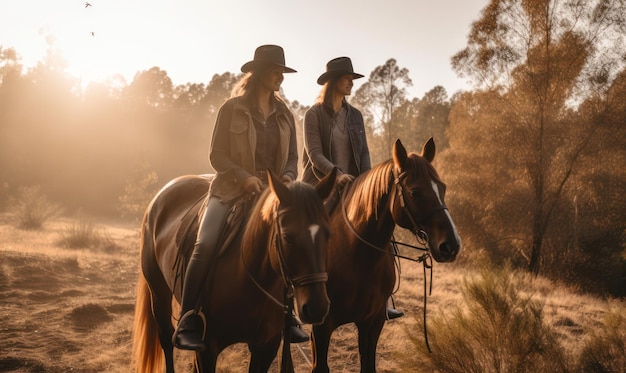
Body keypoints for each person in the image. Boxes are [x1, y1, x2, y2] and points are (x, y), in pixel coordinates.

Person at [172, 44, 307, 351]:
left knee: (292, 242)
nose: (280, 78)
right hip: (230, 192)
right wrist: (243, 177)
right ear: (258, 73)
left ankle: (289, 315)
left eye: (282, 72)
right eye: (275, 71)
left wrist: (286, 177)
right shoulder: (231, 108)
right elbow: (216, 155)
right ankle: (188, 318)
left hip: (271, 196)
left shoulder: (285, 114)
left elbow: (292, 158)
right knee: (204, 244)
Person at [302, 56, 404, 320]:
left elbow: (365, 153)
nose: (351, 83)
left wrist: (368, 182)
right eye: (347, 79)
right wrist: (336, 175)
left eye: (352, 79)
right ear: (334, 81)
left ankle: (382, 296)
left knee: (380, 230)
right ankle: (298, 296)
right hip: (322, 185)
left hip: (355, 186)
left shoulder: (356, 116)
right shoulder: (313, 115)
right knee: (309, 234)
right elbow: (315, 155)